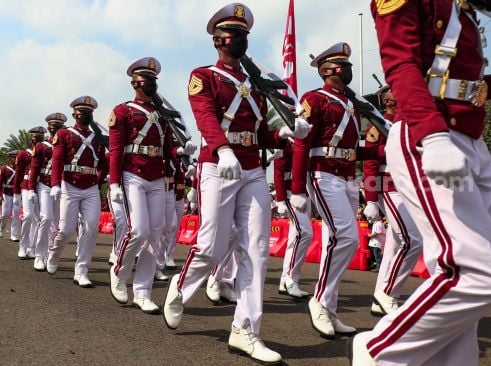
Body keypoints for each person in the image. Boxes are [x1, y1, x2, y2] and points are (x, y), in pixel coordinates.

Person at [161, 3, 309, 364]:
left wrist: (285, 133)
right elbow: (206, 117)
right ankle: (180, 287)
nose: (241, 41)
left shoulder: (256, 85)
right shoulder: (204, 76)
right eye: (235, 35)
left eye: (245, 35)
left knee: (256, 250)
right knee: (210, 245)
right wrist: (222, 149)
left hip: (251, 169)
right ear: (218, 39)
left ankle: (246, 330)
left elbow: (260, 131)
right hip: (217, 166)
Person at [350, 2, 491, 365]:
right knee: (477, 273)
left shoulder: (466, 8)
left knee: (461, 286)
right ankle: (378, 351)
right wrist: (432, 136)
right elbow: (400, 64)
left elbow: (467, 81)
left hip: (472, 138)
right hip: (431, 132)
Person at [290, 42, 382, 340]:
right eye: (344, 65)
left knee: (341, 240)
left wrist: (383, 150)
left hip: (347, 176)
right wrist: (297, 189)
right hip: (323, 174)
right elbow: (302, 143)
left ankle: (328, 307)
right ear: (327, 70)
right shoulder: (313, 99)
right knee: (346, 236)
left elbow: (354, 149)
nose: (349, 70)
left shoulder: (353, 104)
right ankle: (320, 300)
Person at [108, 56, 193, 314]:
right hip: (132, 173)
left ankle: (142, 291)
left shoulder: (163, 115)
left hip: (157, 176)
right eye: (147, 79)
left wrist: (180, 151)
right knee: (139, 231)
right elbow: (115, 150)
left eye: (154, 80)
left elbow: (167, 148)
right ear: (135, 82)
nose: (152, 84)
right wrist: (113, 184)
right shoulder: (123, 111)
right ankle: (120, 271)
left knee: (155, 234)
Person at [361, 88, 423, 317]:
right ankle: (388, 293)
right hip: (390, 185)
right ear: (388, 101)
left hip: (410, 187)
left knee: (395, 246)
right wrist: (370, 199)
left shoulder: (410, 125)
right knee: (413, 240)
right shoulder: (378, 126)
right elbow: (370, 163)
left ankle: (381, 297)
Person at [46, 95, 108, 288]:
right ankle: (54, 254)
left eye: (89, 113)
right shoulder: (65, 134)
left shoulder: (97, 137)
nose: (85, 116)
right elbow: (57, 160)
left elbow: (104, 163)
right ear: (74, 114)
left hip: (90, 187)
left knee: (90, 229)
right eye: (82, 113)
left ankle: (81, 271)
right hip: (69, 185)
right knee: (66, 230)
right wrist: (55, 184)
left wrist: (100, 180)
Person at [274, 140, 313, 299]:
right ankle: (291, 278)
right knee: (304, 233)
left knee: (294, 237)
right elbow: (278, 170)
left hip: (306, 192)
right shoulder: (285, 140)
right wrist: (281, 199)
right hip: (290, 192)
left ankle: (286, 280)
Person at [28, 113, 66, 271]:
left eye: (58, 126)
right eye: (52, 126)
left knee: (57, 222)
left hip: (62, 186)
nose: (54, 129)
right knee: (46, 217)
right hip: (45, 185)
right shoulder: (41, 146)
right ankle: (39, 254)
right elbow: (34, 169)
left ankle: (51, 252)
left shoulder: (67, 144)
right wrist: (31, 189)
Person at [14, 127, 44, 260]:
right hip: (26, 187)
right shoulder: (23, 154)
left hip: (40, 187)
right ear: (31, 138)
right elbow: (18, 174)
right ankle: (23, 245)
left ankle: (32, 247)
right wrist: (16, 193)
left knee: (38, 219)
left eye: (40, 136)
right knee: (28, 216)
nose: (37, 139)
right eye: (35, 137)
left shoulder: (44, 151)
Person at [0, 150, 21, 241]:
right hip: (6, 194)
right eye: (14, 158)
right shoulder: (4, 169)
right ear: (10, 158)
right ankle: (2, 227)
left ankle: (14, 235)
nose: (15, 159)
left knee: (16, 214)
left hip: (17, 193)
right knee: (5, 214)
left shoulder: (21, 168)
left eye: (16, 158)